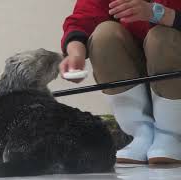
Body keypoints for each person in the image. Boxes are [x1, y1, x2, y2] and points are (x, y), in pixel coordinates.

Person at [60, 0, 181, 164]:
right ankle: (141, 134)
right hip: (141, 73)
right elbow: (84, 18)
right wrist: (75, 54)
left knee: (161, 37)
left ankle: (172, 134)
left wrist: (159, 14)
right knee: (104, 35)